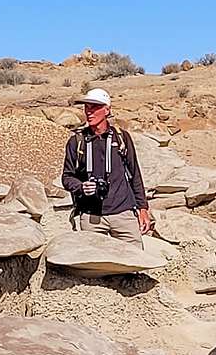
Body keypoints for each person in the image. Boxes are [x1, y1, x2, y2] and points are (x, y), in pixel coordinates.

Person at [60, 87, 153, 244]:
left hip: (123, 212)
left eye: (95, 107)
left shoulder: (121, 137)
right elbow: (67, 177)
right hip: (91, 216)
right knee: (95, 264)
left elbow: (134, 174)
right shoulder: (77, 141)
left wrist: (142, 208)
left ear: (107, 110)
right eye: (87, 108)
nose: (89, 112)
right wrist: (81, 187)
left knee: (133, 261)